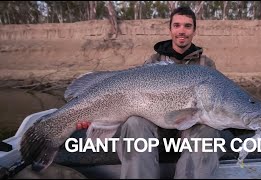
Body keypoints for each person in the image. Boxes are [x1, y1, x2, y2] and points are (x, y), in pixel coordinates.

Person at [77, 6, 222, 179]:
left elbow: (217, 105)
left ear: (194, 30)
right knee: (134, 123)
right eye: (177, 25)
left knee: (209, 133)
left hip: (189, 132)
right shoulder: (153, 62)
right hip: (155, 131)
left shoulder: (207, 66)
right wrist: (94, 116)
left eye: (187, 26)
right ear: (170, 29)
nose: (181, 31)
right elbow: (130, 100)